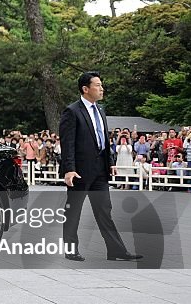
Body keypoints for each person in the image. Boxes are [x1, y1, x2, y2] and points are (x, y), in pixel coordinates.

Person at [58, 72, 142, 262]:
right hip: (79, 171)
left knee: (105, 210)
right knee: (74, 211)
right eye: (97, 85)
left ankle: (116, 250)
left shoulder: (100, 110)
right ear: (85, 89)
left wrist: (110, 163)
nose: (102, 88)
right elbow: (67, 143)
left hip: (100, 171)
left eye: (101, 85)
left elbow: (103, 139)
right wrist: (69, 169)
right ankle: (71, 249)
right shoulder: (72, 111)